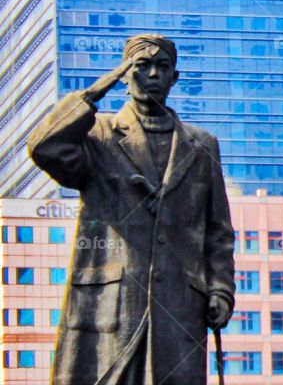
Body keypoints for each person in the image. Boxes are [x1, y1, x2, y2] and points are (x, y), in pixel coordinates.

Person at [28, 34, 235, 384]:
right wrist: (95, 92)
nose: (153, 74)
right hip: (111, 304)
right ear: (125, 74)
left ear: (175, 77)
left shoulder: (201, 145)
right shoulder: (99, 135)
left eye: (162, 67)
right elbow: (44, 147)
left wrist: (221, 290)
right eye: (142, 66)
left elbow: (218, 230)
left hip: (180, 309)